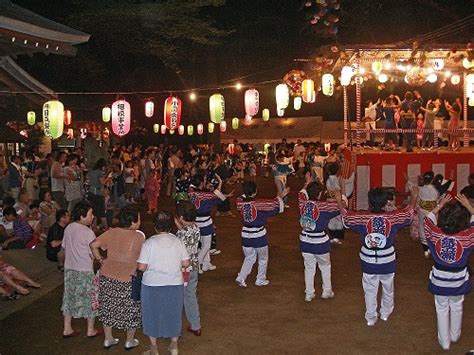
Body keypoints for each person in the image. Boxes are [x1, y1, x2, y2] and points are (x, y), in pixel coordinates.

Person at [342, 186, 418, 326]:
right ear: (386, 202)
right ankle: (385, 313)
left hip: (368, 259)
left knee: (369, 289)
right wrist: (414, 197)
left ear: (370, 202)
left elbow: (346, 216)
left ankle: (371, 318)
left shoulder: (362, 217)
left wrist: (338, 199)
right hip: (387, 258)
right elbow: (409, 213)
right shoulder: (393, 217)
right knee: (388, 288)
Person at [90, 206, 144, 350]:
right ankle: (129, 340)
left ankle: (108, 339)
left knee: (108, 306)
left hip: (107, 275)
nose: (140, 221)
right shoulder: (139, 237)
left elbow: (93, 245)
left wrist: (101, 260)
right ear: (133, 221)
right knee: (131, 309)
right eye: (138, 218)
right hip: (128, 279)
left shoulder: (111, 232)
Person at [423, 194, 473, 351]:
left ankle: (445, 343)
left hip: (440, 279)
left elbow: (427, 220)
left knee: (441, 308)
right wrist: (469, 207)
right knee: (457, 305)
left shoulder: (435, 235)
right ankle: (455, 335)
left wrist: (439, 205)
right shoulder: (467, 236)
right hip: (459, 279)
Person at [137, 211, 190, 355]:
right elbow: (186, 262)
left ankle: (154, 348)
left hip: (152, 285)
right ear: (171, 226)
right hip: (174, 283)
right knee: (174, 313)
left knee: (151, 314)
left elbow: (141, 267)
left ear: (155, 226)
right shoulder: (177, 241)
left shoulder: (149, 243)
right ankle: (174, 346)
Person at [298, 177, 345, 301]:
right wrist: (339, 197)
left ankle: (309, 293)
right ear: (320, 194)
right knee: (325, 266)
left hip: (305, 240)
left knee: (309, 267)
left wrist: (307, 182)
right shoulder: (325, 206)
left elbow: (301, 193)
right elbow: (342, 208)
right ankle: (326, 291)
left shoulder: (302, 203)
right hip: (320, 241)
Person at [235, 181, 288, 288]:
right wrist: (281, 195)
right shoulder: (259, 203)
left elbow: (243, 197)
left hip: (245, 234)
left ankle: (241, 277)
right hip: (259, 235)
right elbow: (275, 206)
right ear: (255, 192)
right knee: (263, 258)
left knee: (249, 257)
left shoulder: (239, 202)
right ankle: (260, 279)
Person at [61, 200, 100, 338]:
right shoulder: (88, 232)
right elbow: (93, 253)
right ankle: (90, 329)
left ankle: (67, 328)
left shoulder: (68, 228)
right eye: (90, 214)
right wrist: (100, 259)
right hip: (85, 270)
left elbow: (64, 248)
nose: (93, 216)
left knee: (69, 296)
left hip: (70, 269)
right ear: (82, 216)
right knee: (90, 298)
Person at [188, 174, 229, 273]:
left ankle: (206, 264)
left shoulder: (191, 192)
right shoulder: (204, 195)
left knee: (203, 244)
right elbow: (219, 196)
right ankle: (197, 263)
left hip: (196, 221)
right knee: (207, 245)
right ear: (201, 183)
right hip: (205, 222)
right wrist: (220, 183)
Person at [174, 201, 202, 336]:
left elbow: (180, 238)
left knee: (177, 296)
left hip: (182, 269)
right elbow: (186, 232)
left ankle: (175, 327)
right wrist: (180, 225)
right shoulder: (197, 227)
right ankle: (196, 325)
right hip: (194, 266)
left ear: (181, 218)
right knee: (190, 295)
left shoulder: (180, 234)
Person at [417, 171, 439, 258]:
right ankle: (432, 250)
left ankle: (426, 251)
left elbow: (419, 200)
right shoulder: (434, 190)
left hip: (422, 211)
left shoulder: (421, 189)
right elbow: (436, 201)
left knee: (422, 229)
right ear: (432, 179)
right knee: (432, 229)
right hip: (432, 212)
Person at [325, 163, 345, 244]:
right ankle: (335, 237)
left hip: (329, 201)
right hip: (335, 202)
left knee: (332, 220)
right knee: (337, 220)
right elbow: (337, 193)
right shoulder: (335, 179)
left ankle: (332, 237)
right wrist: (341, 206)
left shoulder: (328, 178)